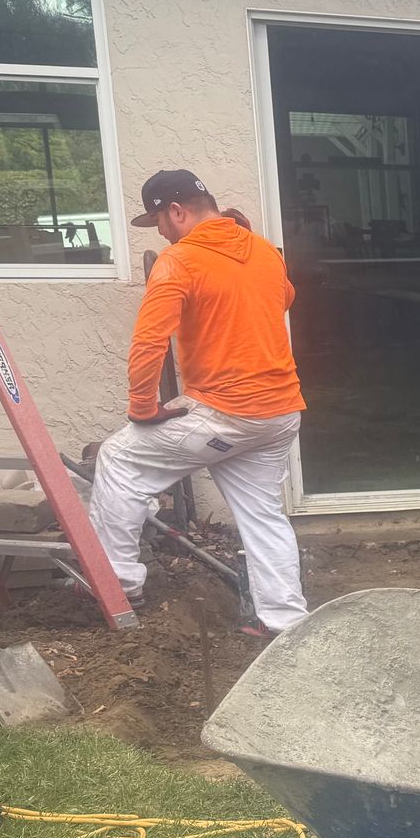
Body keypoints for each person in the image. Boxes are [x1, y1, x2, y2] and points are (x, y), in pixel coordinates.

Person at [87, 169, 307, 637]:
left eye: (160, 222)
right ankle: (285, 620)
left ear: (177, 211)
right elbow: (282, 298)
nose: (162, 233)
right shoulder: (265, 251)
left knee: (119, 459)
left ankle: (120, 585)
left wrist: (143, 406)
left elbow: (149, 341)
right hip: (280, 414)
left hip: (226, 416)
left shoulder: (180, 259)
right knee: (263, 513)